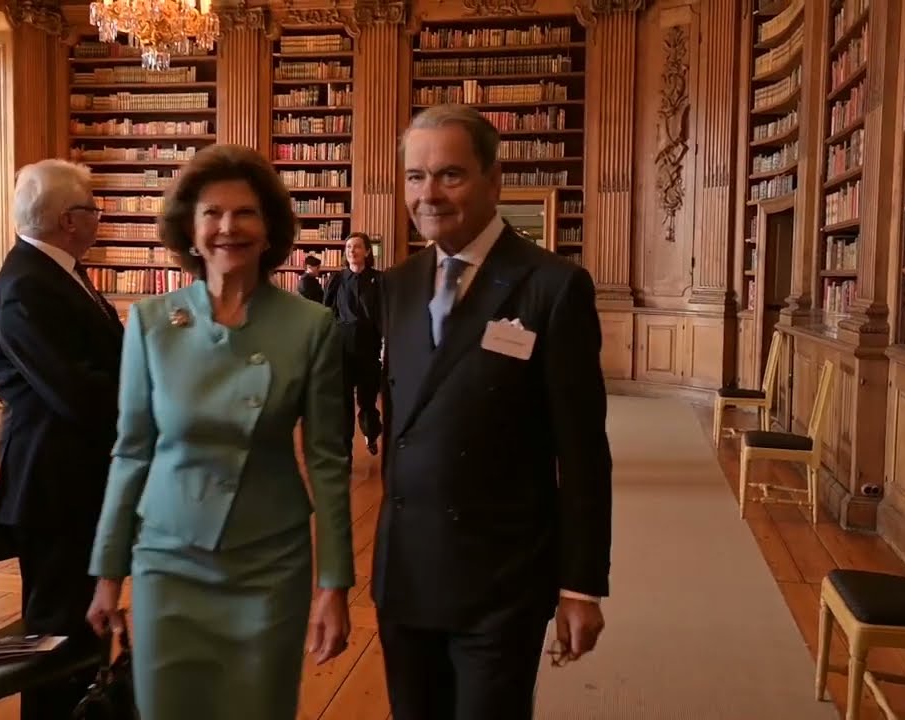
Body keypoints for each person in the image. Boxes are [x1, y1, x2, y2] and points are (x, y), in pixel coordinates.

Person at [85, 144, 355, 720]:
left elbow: (330, 462)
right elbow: (131, 452)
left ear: (269, 229)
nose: (227, 227)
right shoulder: (153, 321)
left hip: (268, 564)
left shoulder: (312, 326)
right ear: (190, 227)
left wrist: (334, 585)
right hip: (167, 560)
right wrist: (108, 572)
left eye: (245, 213)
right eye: (212, 213)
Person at [374, 103, 613, 720]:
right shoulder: (396, 284)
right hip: (405, 575)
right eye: (415, 177)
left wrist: (580, 584)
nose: (429, 194)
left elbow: (583, 452)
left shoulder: (552, 285)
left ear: (493, 179)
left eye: (449, 175)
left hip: (500, 579)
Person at [0, 159, 123, 719]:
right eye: (94, 205)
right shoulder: (25, 286)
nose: (99, 215)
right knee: (56, 642)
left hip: (81, 481)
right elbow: (78, 393)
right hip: (52, 487)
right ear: (70, 220)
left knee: (88, 631)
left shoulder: (60, 273)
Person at [323, 232, 383, 456]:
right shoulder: (336, 279)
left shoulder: (379, 279)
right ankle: (345, 455)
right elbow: (326, 312)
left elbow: (384, 315)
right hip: (342, 349)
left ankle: (371, 432)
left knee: (367, 403)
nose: (351, 250)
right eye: (348, 247)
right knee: (343, 406)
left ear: (367, 251)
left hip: (369, 348)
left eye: (357, 247)